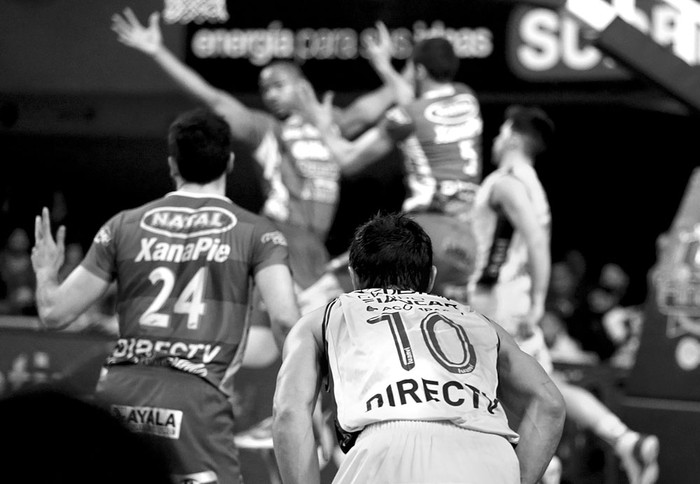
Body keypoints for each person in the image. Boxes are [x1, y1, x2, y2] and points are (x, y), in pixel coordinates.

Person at [31, 108, 300, 484]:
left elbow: (54, 313)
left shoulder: (123, 225)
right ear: (231, 161)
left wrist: (46, 271)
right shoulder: (259, 233)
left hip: (121, 392)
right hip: (197, 396)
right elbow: (287, 321)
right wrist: (306, 389)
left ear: (173, 164)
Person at [111, 9, 398, 293]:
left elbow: (375, 105)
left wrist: (412, 63)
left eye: (278, 86)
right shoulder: (266, 130)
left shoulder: (330, 123)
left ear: (301, 86)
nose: (270, 95)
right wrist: (157, 51)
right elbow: (215, 99)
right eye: (265, 89)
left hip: (313, 243)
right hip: (280, 231)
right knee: (309, 317)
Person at [273, 212, 565, 484]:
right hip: (491, 452)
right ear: (431, 277)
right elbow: (550, 404)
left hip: (389, 449)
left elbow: (288, 412)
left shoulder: (324, 316)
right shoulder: (480, 321)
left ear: (354, 277)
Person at [468, 105, 659, 484]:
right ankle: (624, 441)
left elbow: (537, 242)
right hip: (512, 305)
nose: (495, 139)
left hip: (498, 309)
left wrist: (538, 299)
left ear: (513, 137)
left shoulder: (506, 183)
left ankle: (551, 466)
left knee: (490, 399)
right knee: (547, 389)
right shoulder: (534, 185)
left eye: (501, 132)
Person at [296, 27, 483, 310]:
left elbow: (347, 159)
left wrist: (321, 122)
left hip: (424, 235)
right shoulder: (466, 97)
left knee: (318, 297)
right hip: (467, 242)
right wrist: (382, 65)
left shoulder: (404, 117)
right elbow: (416, 102)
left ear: (419, 70)